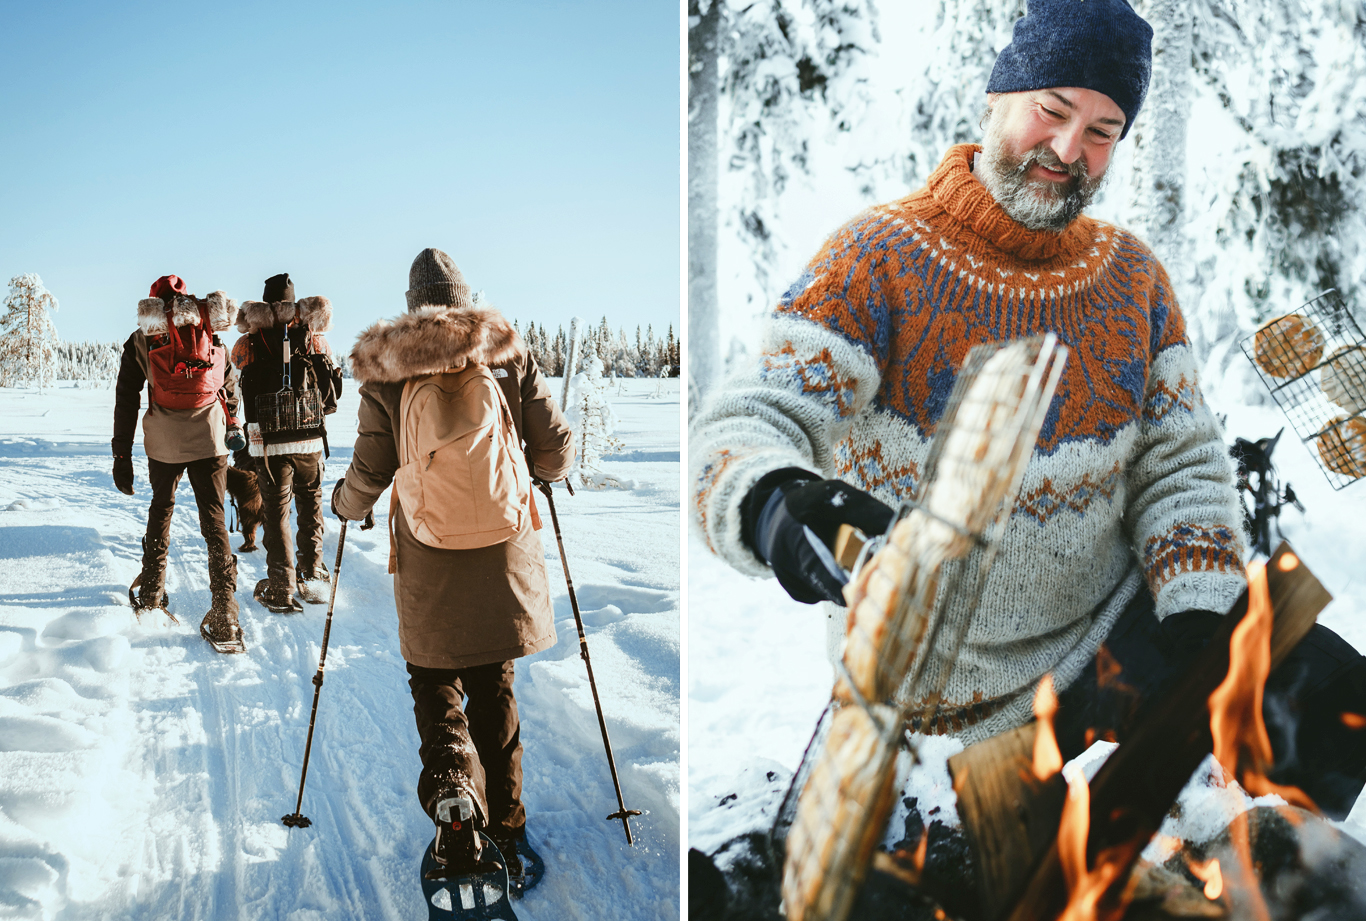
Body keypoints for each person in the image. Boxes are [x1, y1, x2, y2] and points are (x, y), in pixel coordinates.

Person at [691, 0, 1366, 816]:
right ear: (998, 98)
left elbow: (1180, 461)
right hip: (934, 690)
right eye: (1052, 110)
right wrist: (772, 504)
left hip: (1106, 633)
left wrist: (1200, 617)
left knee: (1334, 706)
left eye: (1102, 130)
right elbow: (745, 422)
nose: (1067, 149)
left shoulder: (1134, 280)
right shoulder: (877, 257)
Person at [331, 248, 574, 882]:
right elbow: (551, 446)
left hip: (427, 552)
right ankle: (508, 837)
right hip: (501, 549)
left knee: (435, 681)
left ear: (413, 305)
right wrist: (545, 472)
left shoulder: (384, 369)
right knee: (494, 686)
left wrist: (342, 505)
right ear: (465, 297)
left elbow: (372, 466)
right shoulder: (503, 349)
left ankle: (453, 788)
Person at [113, 274, 246, 651]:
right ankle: (225, 615)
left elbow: (127, 398)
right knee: (215, 519)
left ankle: (152, 593)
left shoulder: (143, 338)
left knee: (162, 508)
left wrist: (121, 454)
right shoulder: (209, 332)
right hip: (210, 437)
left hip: (163, 444)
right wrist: (230, 421)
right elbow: (229, 384)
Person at [231, 273, 342, 613]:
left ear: (263, 304)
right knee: (310, 505)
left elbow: (236, 383)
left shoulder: (247, 343)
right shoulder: (314, 337)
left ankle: (281, 587)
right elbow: (332, 393)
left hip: (266, 442)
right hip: (309, 437)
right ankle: (312, 576)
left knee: (276, 511)